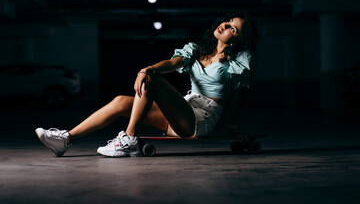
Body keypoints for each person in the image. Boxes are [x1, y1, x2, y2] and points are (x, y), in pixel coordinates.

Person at [35, 13, 258, 157]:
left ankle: (129, 138)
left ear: (238, 40)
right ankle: (65, 139)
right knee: (121, 101)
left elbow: (237, 97)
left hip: (201, 119)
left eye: (233, 29)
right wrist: (148, 68)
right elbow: (172, 63)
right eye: (227, 21)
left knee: (152, 79)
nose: (225, 26)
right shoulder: (198, 50)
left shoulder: (236, 62)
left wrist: (233, 127)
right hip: (182, 110)